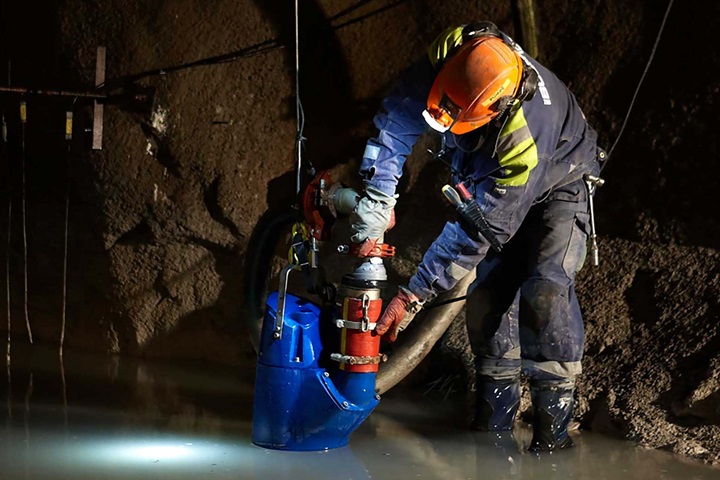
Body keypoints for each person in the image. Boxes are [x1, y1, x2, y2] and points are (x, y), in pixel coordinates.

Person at [349, 22, 604, 451]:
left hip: (560, 181)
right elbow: (397, 122)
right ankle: (492, 433)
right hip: (493, 174)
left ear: (494, 111)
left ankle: (551, 440)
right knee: (488, 295)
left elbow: (476, 232)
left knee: (545, 289)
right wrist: (378, 194)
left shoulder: (524, 138)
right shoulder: (454, 54)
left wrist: (411, 296)